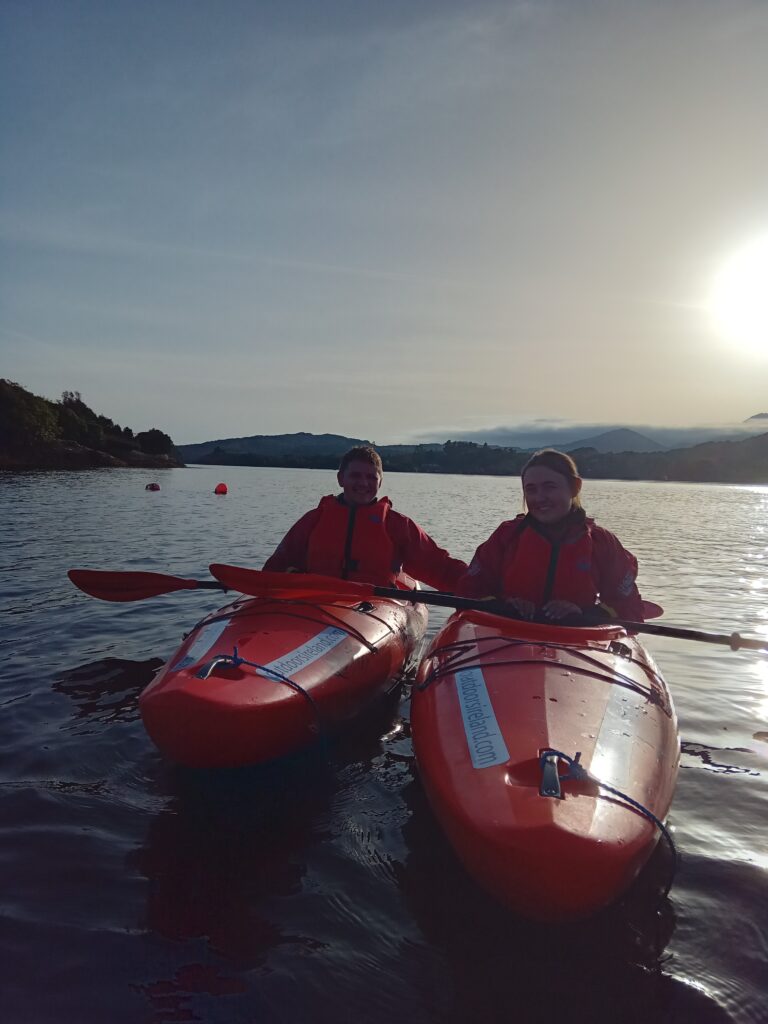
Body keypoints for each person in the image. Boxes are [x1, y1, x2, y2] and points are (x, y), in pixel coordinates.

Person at [457, 448, 645, 620]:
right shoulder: (506, 535)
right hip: (506, 633)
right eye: (531, 490)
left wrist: (585, 613)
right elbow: (468, 590)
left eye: (550, 487)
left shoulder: (602, 542)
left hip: (577, 639)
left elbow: (631, 608)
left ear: (575, 487)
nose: (540, 498)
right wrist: (502, 606)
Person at [264, 445, 467, 591]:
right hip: (318, 603)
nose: (363, 483)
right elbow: (277, 566)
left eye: (371, 477)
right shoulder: (313, 520)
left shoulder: (397, 525)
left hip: (373, 610)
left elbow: (438, 565)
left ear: (380, 483)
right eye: (355, 476)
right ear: (341, 479)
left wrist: (476, 586)